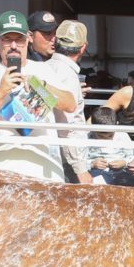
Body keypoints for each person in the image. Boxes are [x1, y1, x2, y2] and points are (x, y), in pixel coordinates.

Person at [0, 9, 78, 180]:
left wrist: (40, 86)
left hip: (46, 166)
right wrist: (1, 92)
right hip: (4, 166)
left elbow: (70, 104)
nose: (13, 46)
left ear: (28, 39)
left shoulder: (44, 69)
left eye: (19, 39)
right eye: (7, 39)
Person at [49, 19, 93, 183]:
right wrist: (80, 169)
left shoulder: (44, 67)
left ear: (55, 42)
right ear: (83, 47)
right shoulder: (69, 76)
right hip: (66, 161)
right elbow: (69, 125)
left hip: (51, 154)